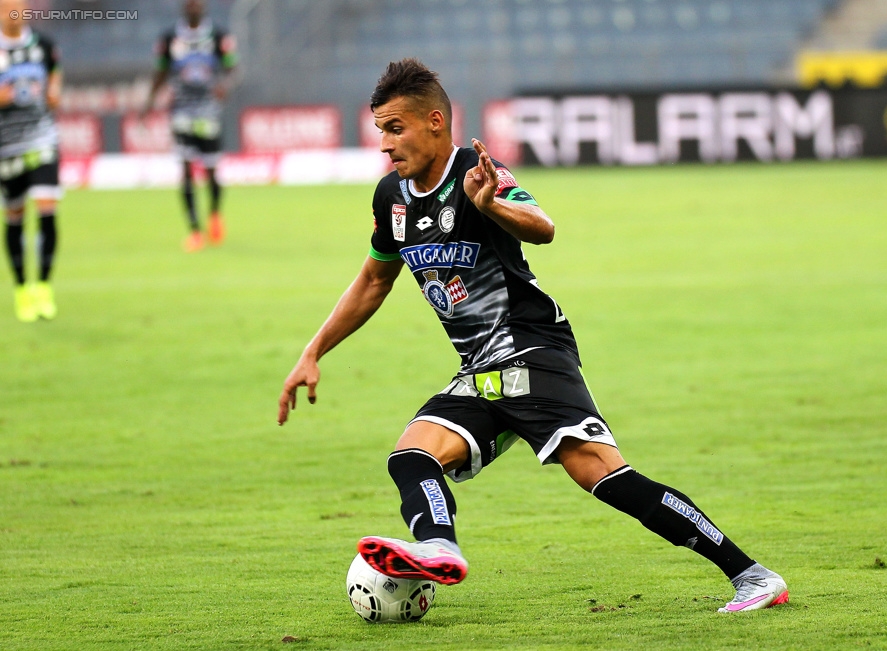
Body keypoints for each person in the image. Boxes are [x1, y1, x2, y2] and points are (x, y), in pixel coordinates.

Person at [278, 59, 789, 613]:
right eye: (379, 129)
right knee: (412, 456)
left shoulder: (475, 170)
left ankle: (753, 576)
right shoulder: (392, 199)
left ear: (434, 121)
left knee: (603, 476)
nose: (384, 143)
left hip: (530, 349)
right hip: (482, 367)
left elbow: (542, 227)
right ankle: (438, 547)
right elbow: (375, 279)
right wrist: (313, 351)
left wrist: (491, 204)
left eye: (394, 128)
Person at [143, 0, 236, 252]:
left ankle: (215, 214)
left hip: (209, 113)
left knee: (210, 171)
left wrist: (224, 86)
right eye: (190, 2)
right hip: (181, 112)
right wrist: (148, 103)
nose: (194, 5)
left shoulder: (217, 35)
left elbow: (232, 68)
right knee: (185, 170)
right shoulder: (170, 38)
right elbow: (160, 72)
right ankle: (195, 231)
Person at [0, 0, 62, 322]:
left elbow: (55, 76)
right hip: (6, 146)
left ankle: (44, 285)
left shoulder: (43, 44)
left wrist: (54, 92)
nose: (14, 10)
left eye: (18, 5)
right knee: (15, 214)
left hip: (42, 138)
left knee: (47, 205)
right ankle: (22, 287)